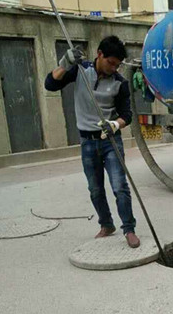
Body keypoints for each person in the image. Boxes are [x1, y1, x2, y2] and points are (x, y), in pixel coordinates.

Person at [45, 36, 140, 248]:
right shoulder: (80, 70)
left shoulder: (120, 83)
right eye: (111, 63)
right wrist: (65, 64)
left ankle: (129, 229)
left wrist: (115, 124)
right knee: (95, 189)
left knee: (120, 186)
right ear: (99, 54)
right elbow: (50, 84)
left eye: (117, 65)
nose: (114, 68)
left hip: (110, 140)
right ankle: (106, 224)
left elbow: (127, 115)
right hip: (87, 142)